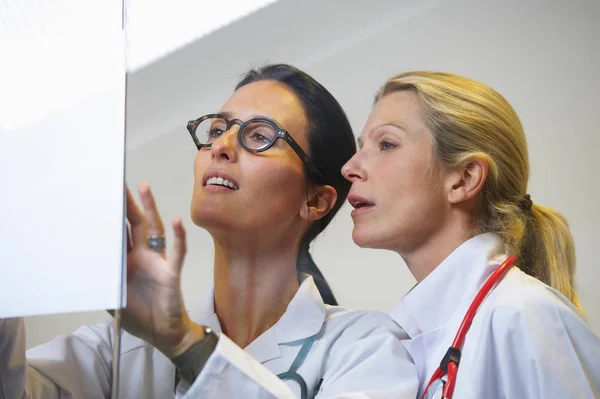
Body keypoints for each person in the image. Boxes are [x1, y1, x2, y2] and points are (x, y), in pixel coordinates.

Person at [0, 64, 418, 398]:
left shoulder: (365, 347)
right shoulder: (120, 350)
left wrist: (185, 342)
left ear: (316, 201)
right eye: (217, 129)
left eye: (260, 136)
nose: (220, 146)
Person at [342, 70, 600, 399]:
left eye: (386, 144)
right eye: (361, 146)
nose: (349, 167)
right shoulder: (407, 338)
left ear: (464, 179)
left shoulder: (523, 315)